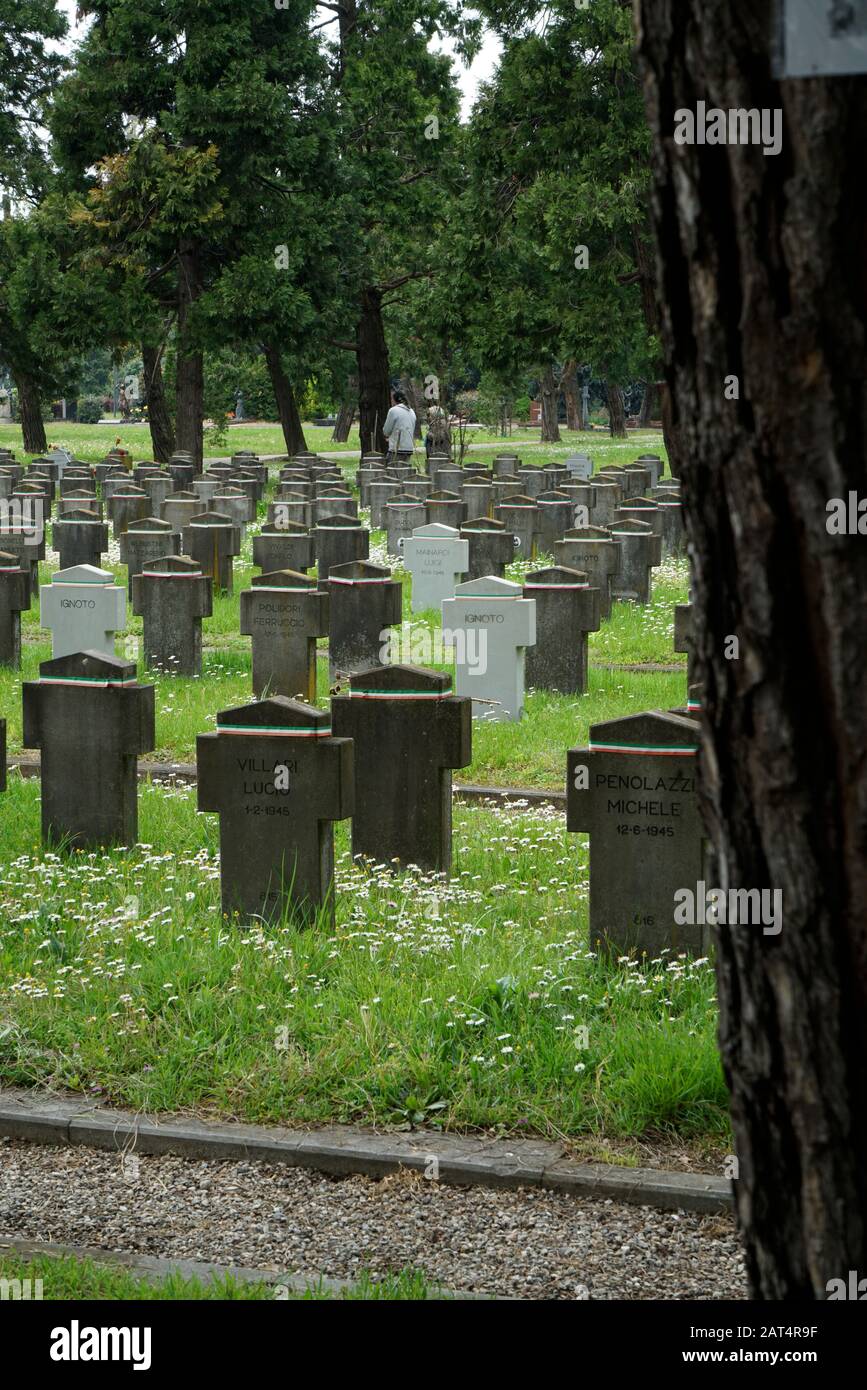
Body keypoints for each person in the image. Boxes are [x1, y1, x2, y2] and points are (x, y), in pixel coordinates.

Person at [382, 390, 417, 465]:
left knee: (393, 473)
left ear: (394, 400)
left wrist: (389, 437)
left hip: (397, 448)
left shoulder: (393, 410)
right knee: (405, 472)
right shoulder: (412, 411)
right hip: (409, 448)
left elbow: (386, 431)